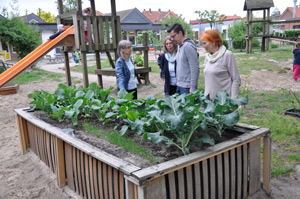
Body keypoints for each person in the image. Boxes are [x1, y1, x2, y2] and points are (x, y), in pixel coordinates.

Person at [199, 29, 241, 99]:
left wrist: (233, 101)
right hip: (210, 103)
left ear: (213, 42)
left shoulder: (227, 55)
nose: (203, 46)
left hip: (223, 104)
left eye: (204, 43)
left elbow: (236, 79)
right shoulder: (208, 57)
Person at [167, 23, 199, 94]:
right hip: (179, 85)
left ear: (180, 33)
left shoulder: (188, 46)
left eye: (173, 36)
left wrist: (193, 87)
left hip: (187, 87)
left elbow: (195, 68)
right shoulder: (180, 46)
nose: (172, 39)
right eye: (171, 37)